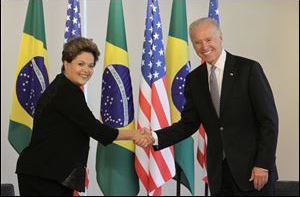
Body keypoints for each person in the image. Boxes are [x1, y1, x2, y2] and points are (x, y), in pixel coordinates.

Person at [146, 17, 279, 196]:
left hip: (253, 173)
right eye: (197, 42)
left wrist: (263, 164)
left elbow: (269, 121)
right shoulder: (194, 79)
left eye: (208, 40)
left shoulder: (248, 69)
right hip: (219, 174)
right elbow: (188, 124)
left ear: (220, 37)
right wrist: (154, 137)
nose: (204, 47)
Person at [16, 37, 152, 196]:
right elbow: (96, 130)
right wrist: (134, 134)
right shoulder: (66, 92)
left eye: (91, 65)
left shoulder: (65, 86)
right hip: (43, 175)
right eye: (80, 64)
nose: (86, 70)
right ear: (66, 64)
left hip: (49, 172)